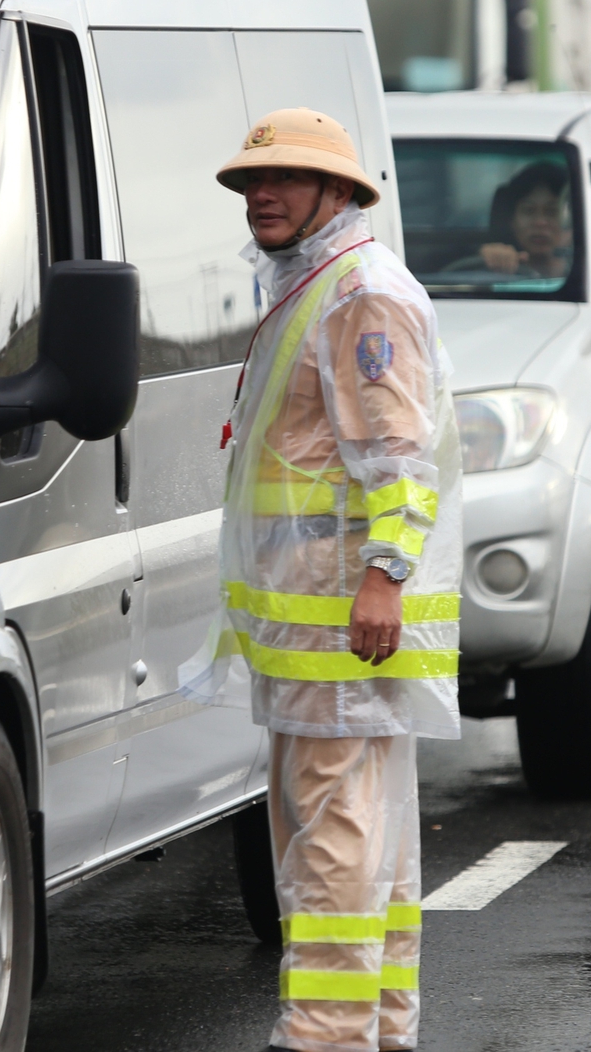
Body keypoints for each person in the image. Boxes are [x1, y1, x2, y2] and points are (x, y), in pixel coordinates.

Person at [188, 107, 462, 1052]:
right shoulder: (319, 284)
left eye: (285, 179)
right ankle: (376, 1034)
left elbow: (398, 455)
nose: (261, 193)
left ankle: (325, 1038)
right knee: (368, 843)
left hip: (339, 622)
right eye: (251, 182)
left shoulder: (356, 296)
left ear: (339, 192)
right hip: (321, 624)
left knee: (331, 844)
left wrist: (383, 575)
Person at [446, 160, 572, 280]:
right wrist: (488, 260)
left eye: (552, 212)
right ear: (511, 220)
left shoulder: (590, 272)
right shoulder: (487, 269)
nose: (540, 222)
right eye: (529, 211)